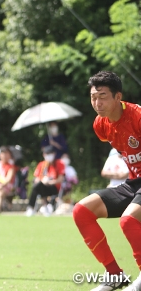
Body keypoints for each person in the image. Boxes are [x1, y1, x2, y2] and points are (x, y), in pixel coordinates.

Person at [73, 71, 141, 291]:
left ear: (117, 97)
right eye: (93, 97)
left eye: (102, 96)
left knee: (128, 221)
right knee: (81, 211)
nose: (97, 102)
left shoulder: (137, 116)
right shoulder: (100, 125)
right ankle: (114, 275)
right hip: (134, 182)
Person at [25, 146, 65, 217]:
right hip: (42, 186)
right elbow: (37, 178)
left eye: (50, 153)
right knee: (37, 186)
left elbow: (60, 179)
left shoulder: (59, 164)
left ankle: (32, 207)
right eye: (47, 154)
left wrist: (49, 182)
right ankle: (42, 207)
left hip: (54, 187)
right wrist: (43, 180)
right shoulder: (42, 164)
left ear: (54, 154)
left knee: (38, 187)